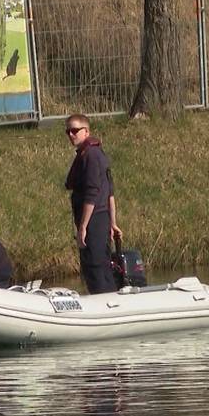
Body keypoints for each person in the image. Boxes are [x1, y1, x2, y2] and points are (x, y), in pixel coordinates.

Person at [64, 114, 122, 294]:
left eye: (75, 130)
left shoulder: (91, 155)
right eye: (68, 131)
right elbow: (109, 193)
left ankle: (106, 301)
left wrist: (83, 226)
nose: (71, 135)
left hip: (94, 219)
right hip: (100, 218)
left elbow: (93, 193)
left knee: (95, 265)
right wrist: (112, 223)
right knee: (97, 265)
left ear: (86, 131)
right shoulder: (92, 153)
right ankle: (107, 297)